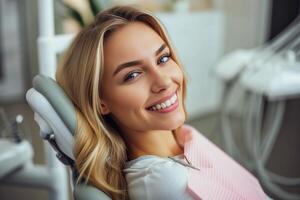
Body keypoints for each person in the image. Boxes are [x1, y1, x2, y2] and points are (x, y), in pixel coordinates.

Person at [56, 5, 271, 200]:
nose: (164, 81)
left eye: (163, 59)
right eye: (132, 75)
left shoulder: (183, 137)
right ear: (100, 102)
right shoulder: (164, 181)